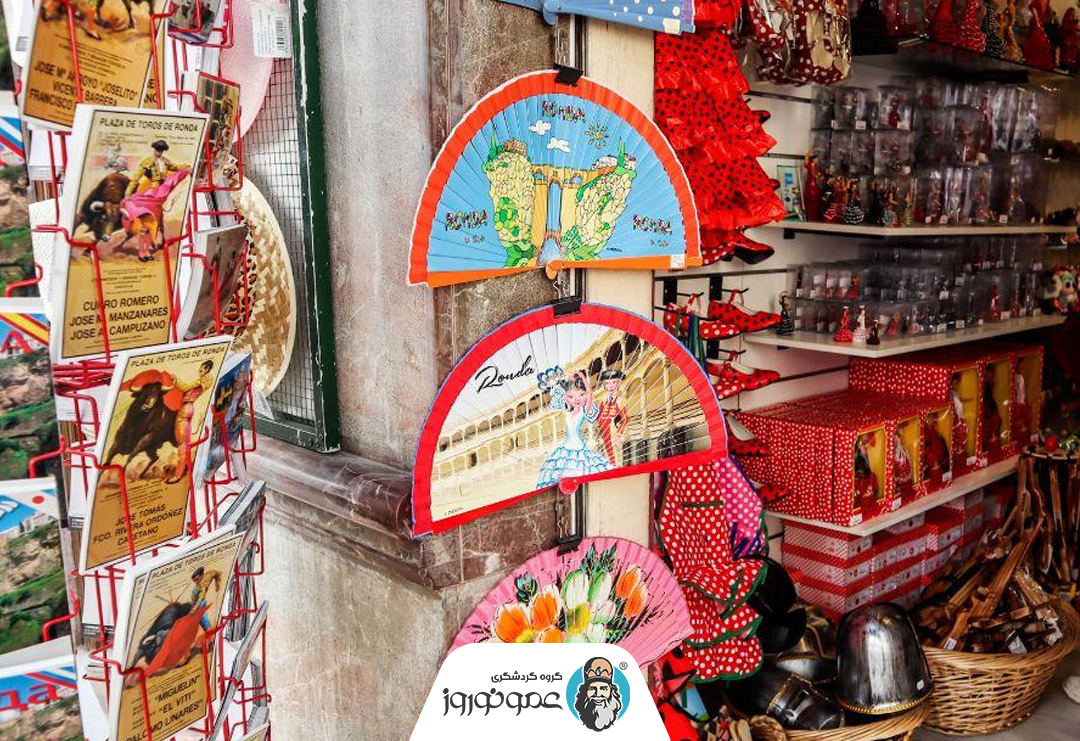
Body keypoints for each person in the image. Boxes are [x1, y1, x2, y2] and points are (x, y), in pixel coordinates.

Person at [536, 368, 612, 489]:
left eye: (581, 395)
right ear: (566, 397)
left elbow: (589, 393)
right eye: (571, 397)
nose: (577, 399)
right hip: (566, 448)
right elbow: (568, 391)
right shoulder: (567, 411)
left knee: (580, 471)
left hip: (578, 447)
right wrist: (570, 378)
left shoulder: (583, 410)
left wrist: (582, 378)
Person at [167, 359, 216, 484]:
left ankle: (177, 475)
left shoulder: (202, 380)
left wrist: (176, 379)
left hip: (185, 409)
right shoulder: (206, 381)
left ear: (206, 369)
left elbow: (185, 387)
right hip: (190, 408)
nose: (199, 370)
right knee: (185, 443)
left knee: (182, 444)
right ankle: (183, 471)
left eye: (202, 368)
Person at [596, 369, 628, 466]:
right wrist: (599, 433)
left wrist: (619, 434)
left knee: (616, 456)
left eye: (614, 382)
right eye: (607, 383)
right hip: (604, 432)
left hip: (614, 431)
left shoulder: (620, 401)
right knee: (607, 454)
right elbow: (599, 419)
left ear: (618, 384)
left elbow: (625, 419)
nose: (610, 386)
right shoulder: (603, 401)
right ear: (604, 386)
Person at [189, 566, 223, 632]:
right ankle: (208, 630)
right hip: (197, 602)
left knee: (202, 617)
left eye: (197, 579)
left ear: (201, 576)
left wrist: (194, 608)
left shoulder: (203, 585)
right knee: (200, 618)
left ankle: (209, 631)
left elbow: (201, 597)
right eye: (194, 580)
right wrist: (217, 584)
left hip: (200, 603)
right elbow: (217, 573)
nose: (196, 582)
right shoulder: (209, 573)